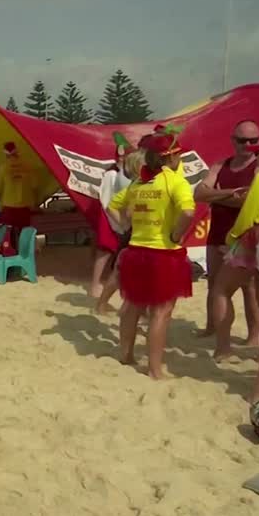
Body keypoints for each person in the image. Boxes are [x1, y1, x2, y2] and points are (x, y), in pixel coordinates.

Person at [106, 128, 196, 379]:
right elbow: (188, 213)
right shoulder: (175, 181)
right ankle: (155, 370)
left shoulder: (140, 181)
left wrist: (125, 226)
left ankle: (126, 355)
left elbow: (112, 204)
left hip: (136, 249)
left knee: (132, 305)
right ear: (172, 157)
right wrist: (177, 235)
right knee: (161, 313)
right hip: (163, 253)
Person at [199, 119, 259, 354]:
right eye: (242, 140)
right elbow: (198, 194)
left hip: (247, 235)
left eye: (253, 140)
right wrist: (231, 194)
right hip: (219, 233)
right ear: (233, 140)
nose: (247, 144)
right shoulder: (221, 164)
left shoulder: (258, 166)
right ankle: (212, 329)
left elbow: (249, 199)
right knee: (215, 284)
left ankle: (254, 336)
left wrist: (215, 195)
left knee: (251, 288)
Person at [95, 149, 145, 314]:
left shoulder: (140, 184)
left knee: (135, 274)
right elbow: (112, 206)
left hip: (142, 233)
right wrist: (125, 223)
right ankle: (103, 304)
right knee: (119, 273)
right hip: (135, 233)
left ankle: (138, 309)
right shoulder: (134, 185)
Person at [91, 137, 135, 297]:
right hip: (110, 216)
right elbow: (107, 199)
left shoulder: (129, 174)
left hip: (122, 218)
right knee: (105, 250)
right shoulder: (111, 174)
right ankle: (95, 284)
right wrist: (118, 221)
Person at [0, 141, 37, 243]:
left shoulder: (3, 167)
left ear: (5, 153)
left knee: (9, 233)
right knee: (25, 232)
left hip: (9, 205)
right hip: (25, 204)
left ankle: (11, 253)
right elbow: (35, 184)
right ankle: (24, 253)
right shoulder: (28, 165)